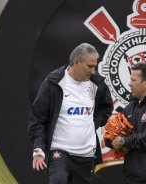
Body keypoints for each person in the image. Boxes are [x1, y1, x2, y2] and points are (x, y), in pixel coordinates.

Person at [28, 43, 113, 184]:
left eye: (95, 66)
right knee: (58, 180)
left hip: (86, 154)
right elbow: (37, 118)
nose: (93, 71)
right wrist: (38, 149)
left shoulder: (97, 83)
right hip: (59, 151)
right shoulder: (53, 82)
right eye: (90, 66)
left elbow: (106, 107)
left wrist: (94, 123)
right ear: (76, 62)